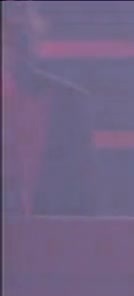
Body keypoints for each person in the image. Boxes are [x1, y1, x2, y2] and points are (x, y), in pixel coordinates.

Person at [2, 0, 97, 217]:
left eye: (24, 15)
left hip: (49, 233)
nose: (16, 27)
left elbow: (82, 197)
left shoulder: (69, 102)